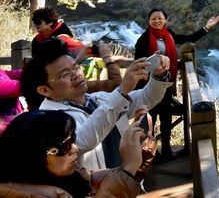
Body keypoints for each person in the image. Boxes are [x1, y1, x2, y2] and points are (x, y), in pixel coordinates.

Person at [20, 37, 172, 171]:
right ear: (45, 90)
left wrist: (159, 75)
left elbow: (146, 97)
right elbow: (82, 141)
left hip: (125, 183)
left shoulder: (97, 99)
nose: (76, 75)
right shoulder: (46, 119)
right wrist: (121, 92)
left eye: (75, 67)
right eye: (65, 74)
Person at [134, 8, 219, 161]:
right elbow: (138, 62)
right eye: (153, 18)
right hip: (149, 86)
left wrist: (207, 27)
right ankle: (151, 154)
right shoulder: (144, 39)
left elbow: (189, 38)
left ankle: (166, 149)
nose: (157, 21)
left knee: (166, 117)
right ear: (149, 21)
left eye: (160, 18)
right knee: (150, 119)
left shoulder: (169, 35)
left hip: (166, 84)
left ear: (165, 20)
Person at [0, 109, 146, 198]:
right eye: (64, 146)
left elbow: (98, 181)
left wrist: (139, 160)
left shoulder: (68, 178)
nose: (75, 148)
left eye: (73, 138)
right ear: (32, 158)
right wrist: (128, 168)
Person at [0, 67, 23, 135]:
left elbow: (8, 74)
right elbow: (3, 87)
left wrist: (29, 72)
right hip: (3, 123)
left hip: (10, 115)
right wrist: (32, 84)